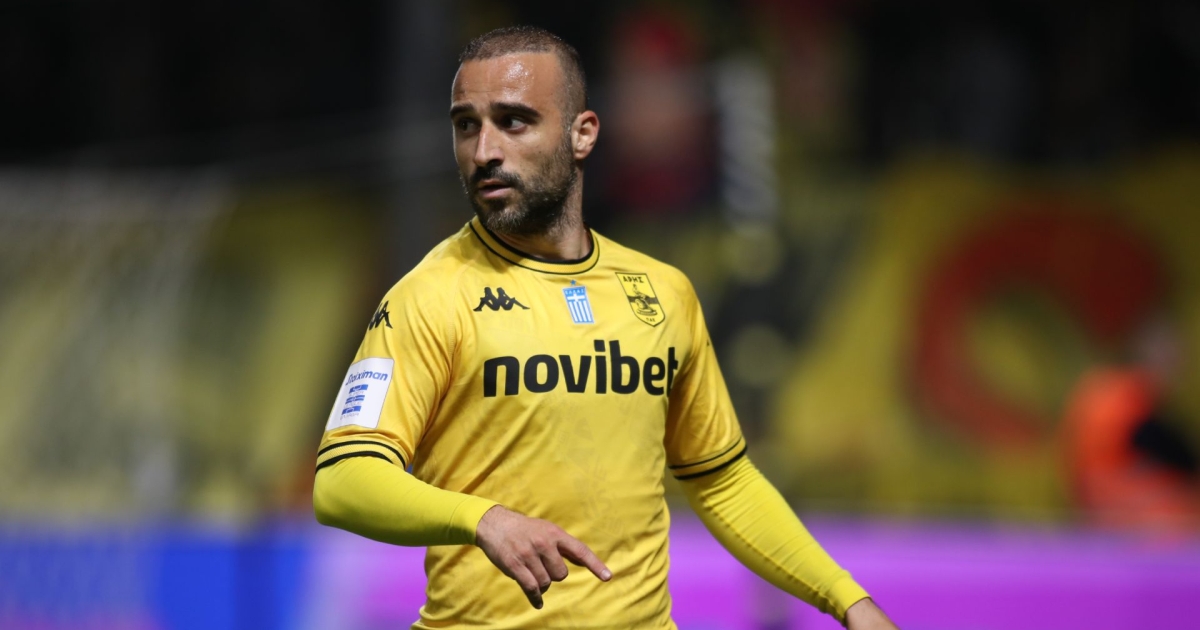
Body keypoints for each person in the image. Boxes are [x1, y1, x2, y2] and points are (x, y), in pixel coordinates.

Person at [313, 25, 899, 629]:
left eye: (513, 122)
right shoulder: (429, 297)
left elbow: (722, 481)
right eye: (467, 125)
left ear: (582, 134)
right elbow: (344, 479)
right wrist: (484, 519)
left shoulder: (663, 294)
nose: (485, 149)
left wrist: (848, 600)